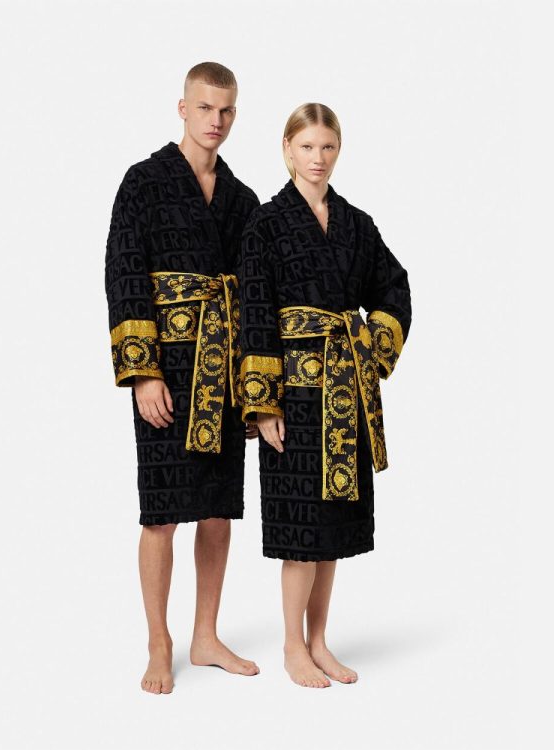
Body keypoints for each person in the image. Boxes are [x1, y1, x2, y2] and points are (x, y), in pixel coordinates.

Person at [237, 103, 412, 688]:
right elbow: (255, 314)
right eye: (307, 146)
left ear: (339, 151)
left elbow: (394, 288)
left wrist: (372, 350)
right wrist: (263, 404)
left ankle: (319, 642)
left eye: (328, 147)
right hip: (292, 396)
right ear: (287, 149)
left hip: (343, 393)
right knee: (300, 530)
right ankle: (292, 646)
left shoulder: (357, 224)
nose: (318, 158)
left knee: (332, 527)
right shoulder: (264, 224)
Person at [105, 62, 260, 695]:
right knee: (162, 512)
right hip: (167, 370)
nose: (215, 121)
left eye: (225, 110)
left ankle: (205, 635)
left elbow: (256, 294)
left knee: (218, 510)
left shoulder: (243, 199)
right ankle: (158, 642)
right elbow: (124, 275)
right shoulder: (143, 182)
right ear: (182, 108)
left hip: (223, 372)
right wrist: (142, 373)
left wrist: (256, 388)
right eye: (204, 108)